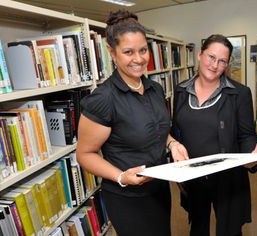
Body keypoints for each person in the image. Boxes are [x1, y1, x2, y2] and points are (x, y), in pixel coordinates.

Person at [76, 10, 187, 236]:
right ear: (112, 53)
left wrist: (172, 144)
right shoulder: (103, 99)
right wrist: (121, 177)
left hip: (159, 188)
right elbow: (85, 154)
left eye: (143, 50)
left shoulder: (155, 89)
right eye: (128, 52)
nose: (138, 59)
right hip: (127, 196)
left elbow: (158, 130)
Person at [169, 34, 257, 236]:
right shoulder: (181, 90)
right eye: (211, 57)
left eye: (222, 61)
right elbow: (176, 130)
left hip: (227, 178)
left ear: (227, 65)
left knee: (229, 230)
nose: (214, 65)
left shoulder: (240, 93)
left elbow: (247, 135)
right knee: (198, 227)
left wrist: (251, 156)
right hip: (193, 176)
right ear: (200, 55)